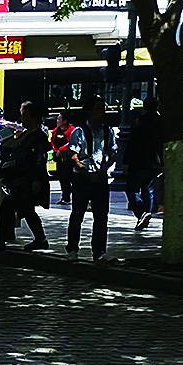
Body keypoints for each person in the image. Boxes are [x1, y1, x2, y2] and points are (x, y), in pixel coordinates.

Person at [0, 101, 50, 252]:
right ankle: (39, 239)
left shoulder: (38, 136)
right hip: (18, 179)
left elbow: (39, 159)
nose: (21, 118)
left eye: (24, 114)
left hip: (27, 180)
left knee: (10, 207)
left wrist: (36, 180)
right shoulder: (26, 134)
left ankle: (1, 241)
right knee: (26, 210)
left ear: (32, 116)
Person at [66, 95, 116, 262]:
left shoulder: (108, 131)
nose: (101, 113)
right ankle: (72, 249)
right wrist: (86, 173)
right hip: (82, 178)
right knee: (77, 214)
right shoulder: (79, 131)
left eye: (103, 109)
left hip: (100, 178)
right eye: (98, 109)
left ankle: (99, 251)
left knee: (101, 216)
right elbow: (73, 156)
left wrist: (104, 169)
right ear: (89, 112)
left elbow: (113, 153)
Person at [50, 111, 78, 208]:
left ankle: (73, 197)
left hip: (69, 158)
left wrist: (61, 150)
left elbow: (72, 142)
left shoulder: (72, 130)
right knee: (62, 178)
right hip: (59, 158)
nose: (57, 121)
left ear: (65, 121)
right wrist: (56, 151)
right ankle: (65, 197)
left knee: (70, 178)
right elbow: (52, 142)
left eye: (59, 119)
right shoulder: (55, 131)